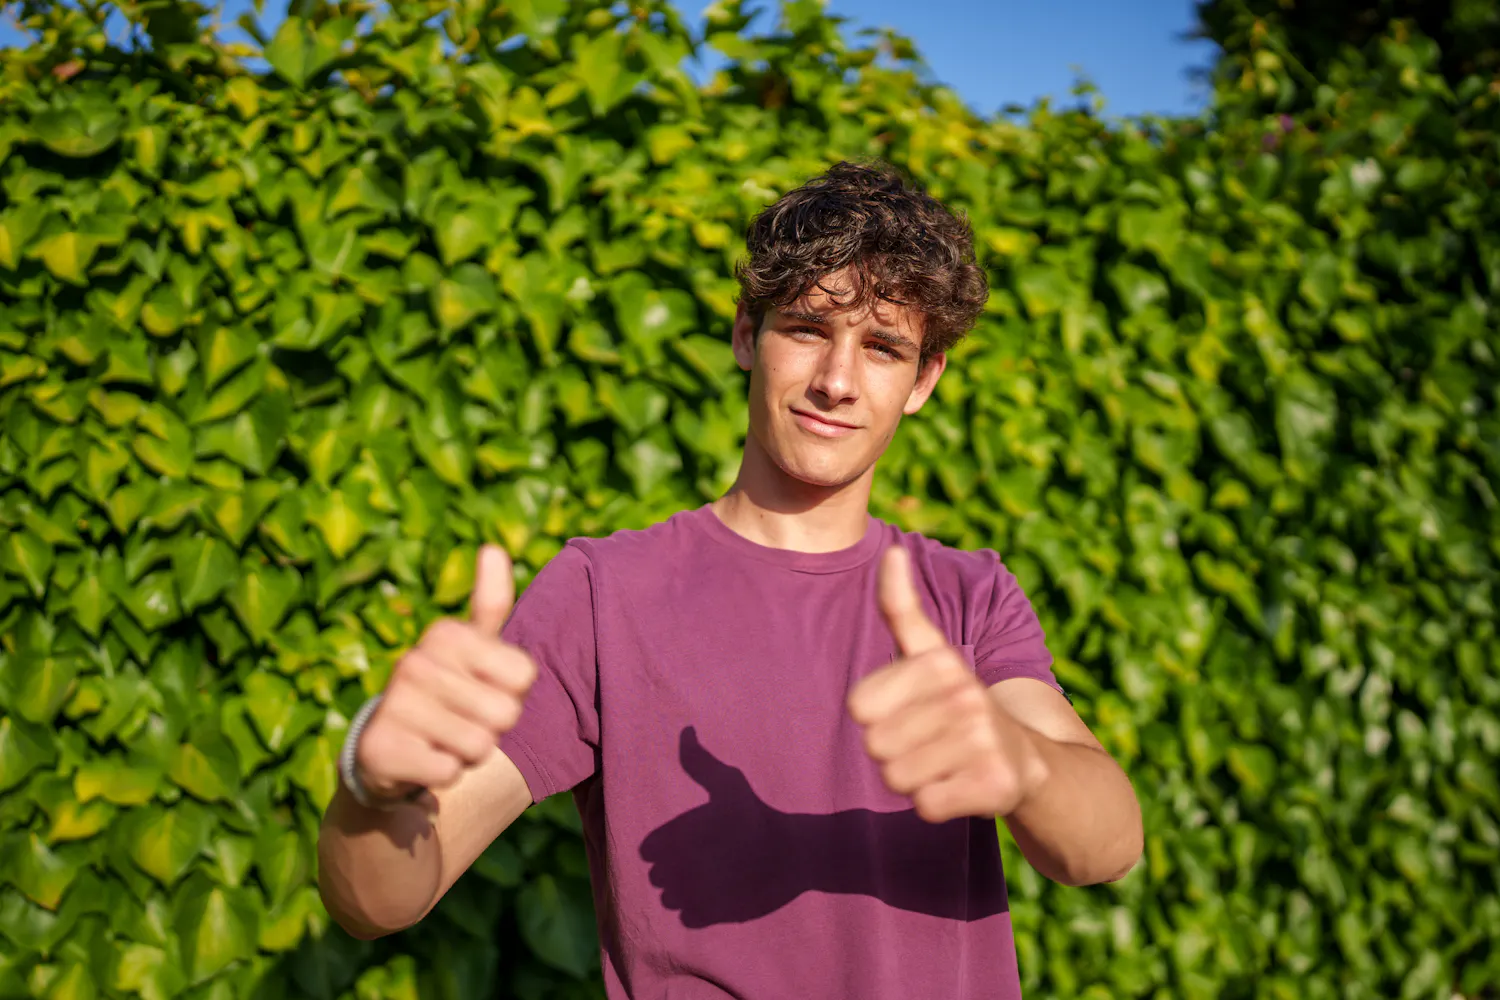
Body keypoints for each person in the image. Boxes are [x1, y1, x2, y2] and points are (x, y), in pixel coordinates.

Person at [316, 160, 1144, 999]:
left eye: (884, 347)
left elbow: (1105, 848)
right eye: (809, 329)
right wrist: (371, 789)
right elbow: (379, 900)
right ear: (748, 333)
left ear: (923, 381)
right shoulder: (604, 593)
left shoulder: (969, 596)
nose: (837, 380)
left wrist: (1024, 766)